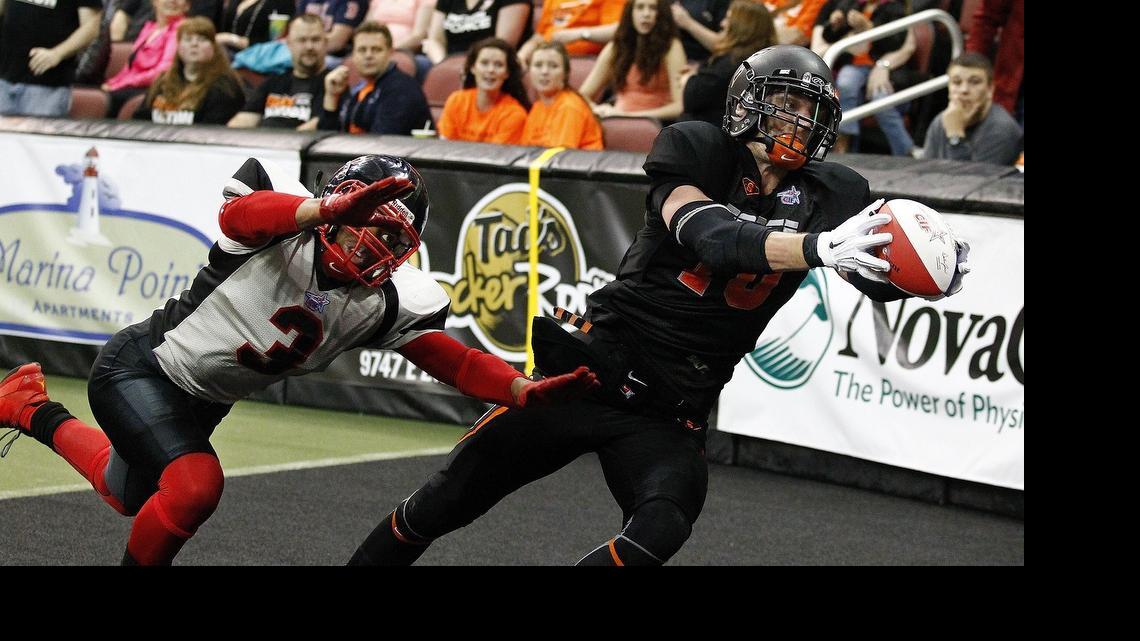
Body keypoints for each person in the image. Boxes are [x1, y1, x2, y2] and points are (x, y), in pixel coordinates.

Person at [345, 45, 970, 567]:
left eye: (811, 108)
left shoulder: (834, 193)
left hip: (674, 406)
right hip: (593, 369)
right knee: (443, 500)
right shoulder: (696, 149)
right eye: (786, 104)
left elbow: (876, 269)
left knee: (661, 528)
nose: (800, 121)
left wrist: (927, 271)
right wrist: (815, 247)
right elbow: (712, 239)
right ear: (747, 103)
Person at [0, 154, 598, 566]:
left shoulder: (386, 300)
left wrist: (518, 390)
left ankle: (29, 410)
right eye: (367, 221)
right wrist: (320, 213)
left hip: (202, 402)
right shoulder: (281, 226)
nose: (374, 243)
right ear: (336, 205)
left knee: (130, 493)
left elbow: (458, 364)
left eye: (393, 239)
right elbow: (239, 214)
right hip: (142, 368)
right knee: (193, 487)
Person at [578, 0, 686, 120]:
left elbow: (680, 106)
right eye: (640, 7)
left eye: (653, 8)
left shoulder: (672, 47)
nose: (646, 14)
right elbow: (582, 95)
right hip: (616, 120)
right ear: (630, 12)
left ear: (661, 13)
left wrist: (630, 116)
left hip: (655, 123)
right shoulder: (617, 46)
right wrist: (597, 109)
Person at [318, 22, 432, 135]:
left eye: (376, 49)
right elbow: (325, 139)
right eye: (362, 50)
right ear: (353, 55)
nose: (368, 55)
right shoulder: (358, 89)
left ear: (390, 53)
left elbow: (381, 144)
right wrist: (332, 97)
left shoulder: (402, 89)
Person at [678, 0, 775, 127]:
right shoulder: (758, 59)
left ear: (743, 26)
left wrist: (686, 79)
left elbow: (691, 97)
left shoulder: (735, 63)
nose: (722, 24)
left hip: (710, 133)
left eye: (728, 19)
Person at [131, 16, 244, 124]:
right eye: (188, 39)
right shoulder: (163, 81)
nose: (194, 44)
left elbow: (212, 130)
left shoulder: (225, 87)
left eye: (202, 39)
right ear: (178, 47)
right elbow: (140, 119)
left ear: (214, 48)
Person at [0, 0, 102, 117]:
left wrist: (58, 53)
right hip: (4, 76)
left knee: (37, 135)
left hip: (47, 84)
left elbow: (92, 26)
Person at [228, 13, 328, 130]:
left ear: (326, 43)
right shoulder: (274, 82)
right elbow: (244, 120)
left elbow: (319, 125)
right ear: (289, 44)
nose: (309, 46)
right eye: (302, 40)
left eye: (315, 40)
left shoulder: (332, 84)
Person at [920, 52, 1021, 166]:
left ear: (990, 90)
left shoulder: (1002, 129)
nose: (964, 90)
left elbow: (971, 181)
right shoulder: (941, 121)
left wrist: (955, 136)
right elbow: (925, 172)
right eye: (957, 82)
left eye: (974, 82)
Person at [102, 0, 188, 117]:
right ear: (154, 2)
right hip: (134, 86)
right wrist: (113, 83)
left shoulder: (181, 29)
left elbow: (163, 71)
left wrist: (121, 85)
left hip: (158, 88)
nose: (172, 1)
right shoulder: (149, 28)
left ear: (187, 6)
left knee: (109, 99)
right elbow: (130, 67)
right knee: (100, 94)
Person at [436, 38, 529, 143]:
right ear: (473, 68)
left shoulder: (514, 114)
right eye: (484, 63)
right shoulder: (456, 101)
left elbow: (496, 156)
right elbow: (445, 145)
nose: (490, 70)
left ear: (507, 73)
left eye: (498, 65)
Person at [521, 41, 604, 150]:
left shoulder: (569, 106)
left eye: (553, 66)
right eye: (538, 65)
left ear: (565, 74)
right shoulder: (537, 107)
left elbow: (558, 159)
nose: (544, 72)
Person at [516, 0, 625, 67]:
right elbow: (540, 35)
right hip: (547, 55)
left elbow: (619, 30)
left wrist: (580, 34)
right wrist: (522, 54)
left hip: (582, 59)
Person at [422, 0, 532, 65]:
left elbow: (501, 45)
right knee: (417, 64)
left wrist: (471, 66)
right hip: (448, 60)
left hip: (487, 64)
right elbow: (434, 40)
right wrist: (443, 64)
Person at [215, 0, 295, 56]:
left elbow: (276, 41)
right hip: (226, 55)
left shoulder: (282, 2)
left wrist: (233, 39)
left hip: (258, 60)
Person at [297, 0, 367, 62]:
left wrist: (301, 42)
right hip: (306, 53)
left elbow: (336, 43)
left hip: (336, 58)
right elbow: (295, 32)